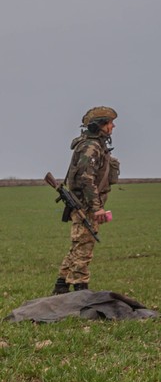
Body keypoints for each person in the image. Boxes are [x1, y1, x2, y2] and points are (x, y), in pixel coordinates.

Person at [53, 106, 120, 295]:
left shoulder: (96, 145)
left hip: (87, 204)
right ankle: (80, 290)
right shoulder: (91, 147)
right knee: (84, 248)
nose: (113, 126)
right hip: (86, 206)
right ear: (99, 126)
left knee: (79, 245)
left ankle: (61, 286)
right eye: (109, 123)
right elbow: (86, 179)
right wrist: (97, 208)